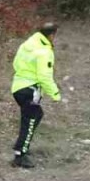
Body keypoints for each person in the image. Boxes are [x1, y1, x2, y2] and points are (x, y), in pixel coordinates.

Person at [9, 23, 60, 169]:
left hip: (18, 87)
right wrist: (55, 94)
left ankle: (22, 144)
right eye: (55, 35)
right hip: (30, 90)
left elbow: (16, 63)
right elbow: (44, 76)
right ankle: (20, 156)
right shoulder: (45, 51)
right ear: (51, 35)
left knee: (36, 115)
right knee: (30, 120)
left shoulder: (27, 44)